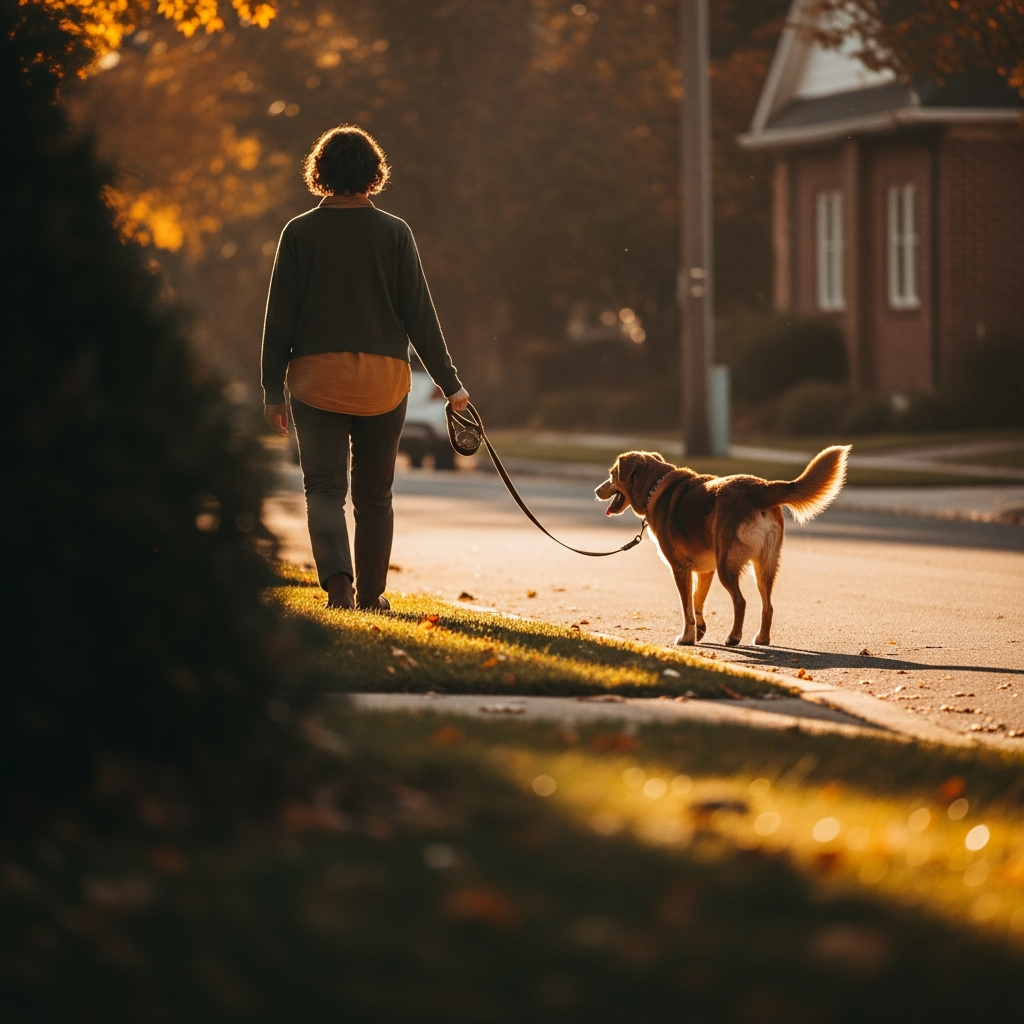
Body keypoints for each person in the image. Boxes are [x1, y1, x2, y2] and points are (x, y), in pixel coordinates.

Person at [261, 125, 470, 610]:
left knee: (324, 490)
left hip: (315, 381)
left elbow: (279, 319)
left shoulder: (299, 232)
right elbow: (420, 315)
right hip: (384, 382)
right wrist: (451, 385)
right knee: (375, 495)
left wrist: (272, 391)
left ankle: (339, 588)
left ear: (320, 173)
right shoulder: (395, 233)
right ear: (374, 173)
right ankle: (373, 596)